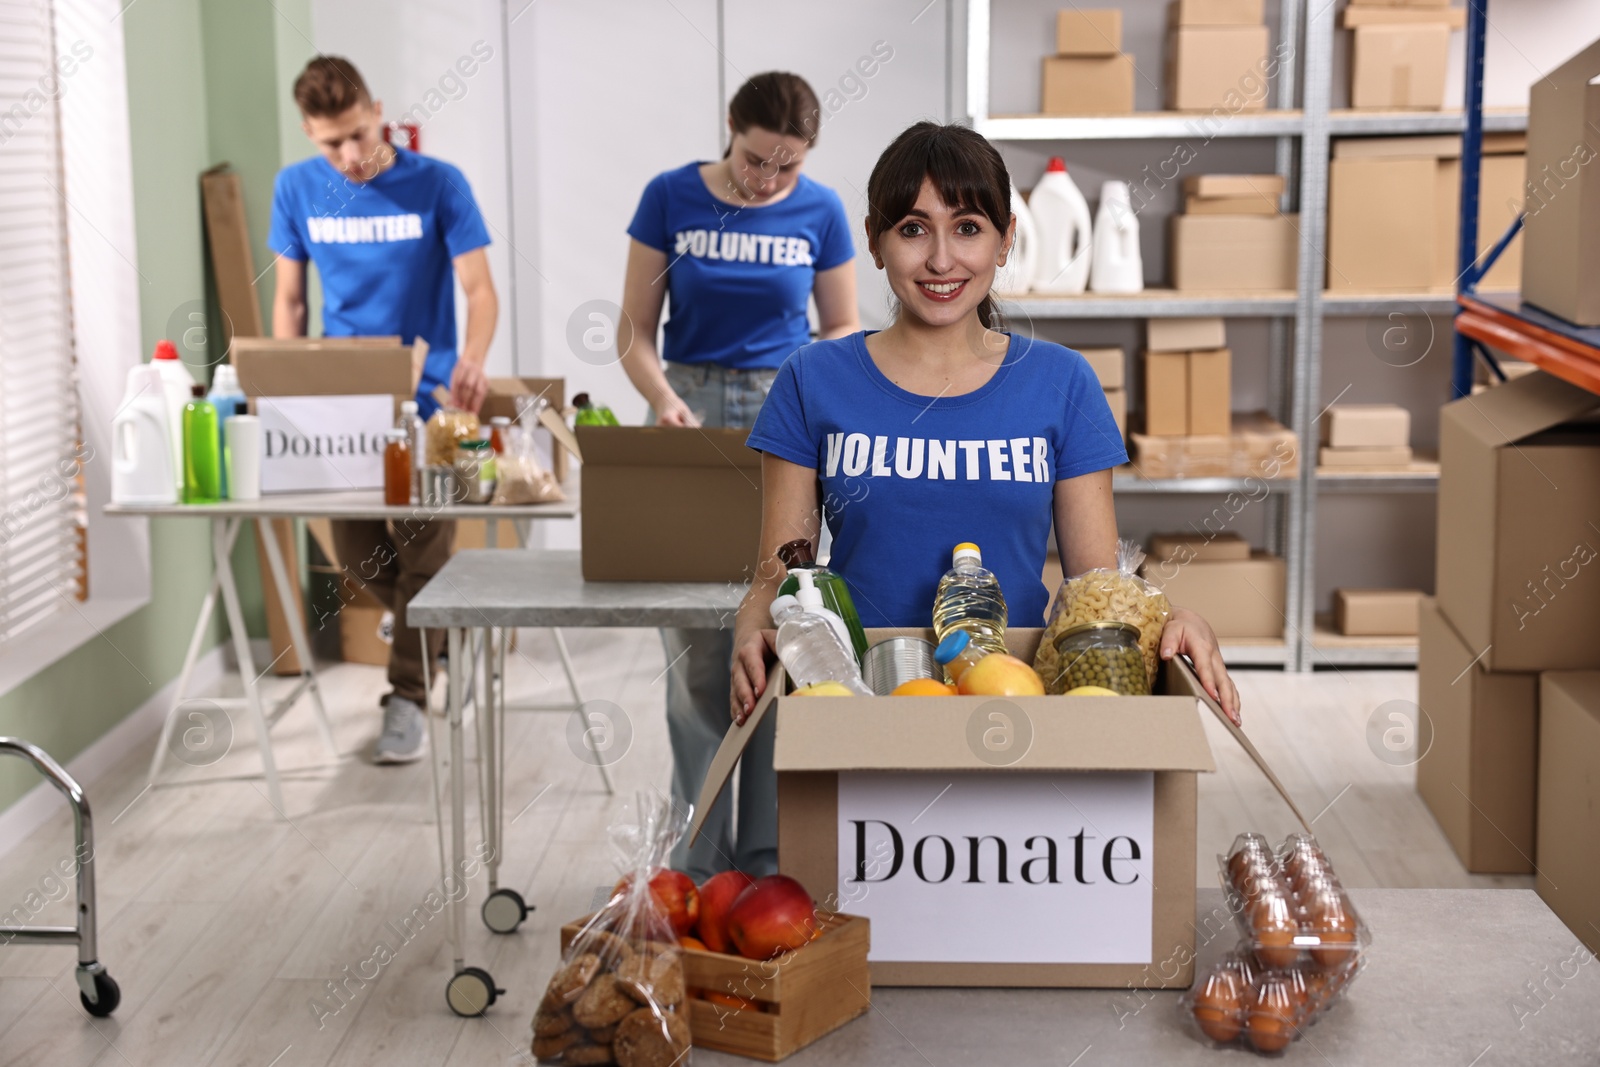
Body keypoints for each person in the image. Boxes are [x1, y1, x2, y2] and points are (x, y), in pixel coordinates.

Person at [734, 120, 1242, 731]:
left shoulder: (1062, 383)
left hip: (1015, 703)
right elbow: (779, 578)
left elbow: (1096, 592)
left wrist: (1172, 616)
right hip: (859, 705)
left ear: (1005, 242)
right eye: (913, 229)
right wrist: (748, 626)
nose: (941, 259)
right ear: (874, 241)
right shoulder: (813, 379)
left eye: (968, 228)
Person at [616, 72, 860, 879]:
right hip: (688, 409)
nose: (768, 181)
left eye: (786, 168)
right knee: (695, 650)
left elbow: (845, 328)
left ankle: (766, 849)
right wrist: (662, 399)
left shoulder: (820, 211)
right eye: (757, 161)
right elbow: (633, 333)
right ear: (731, 129)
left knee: (778, 632)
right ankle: (701, 850)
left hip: (782, 416)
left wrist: (817, 403)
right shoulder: (668, 197)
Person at [268, 55, 498, 763]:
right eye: (329, 142)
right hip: (345, 404)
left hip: (429, 398)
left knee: (426, 544)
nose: (348, 155)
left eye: (359, 134)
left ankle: (405, 698)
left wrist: (474, 358)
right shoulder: (296, 189)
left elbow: (480, 290)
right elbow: (291, 300)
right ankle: (441, 635)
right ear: (309, 134)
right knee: (360, 555)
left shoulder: (438, 184)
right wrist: (291, 383)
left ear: (378, 111)